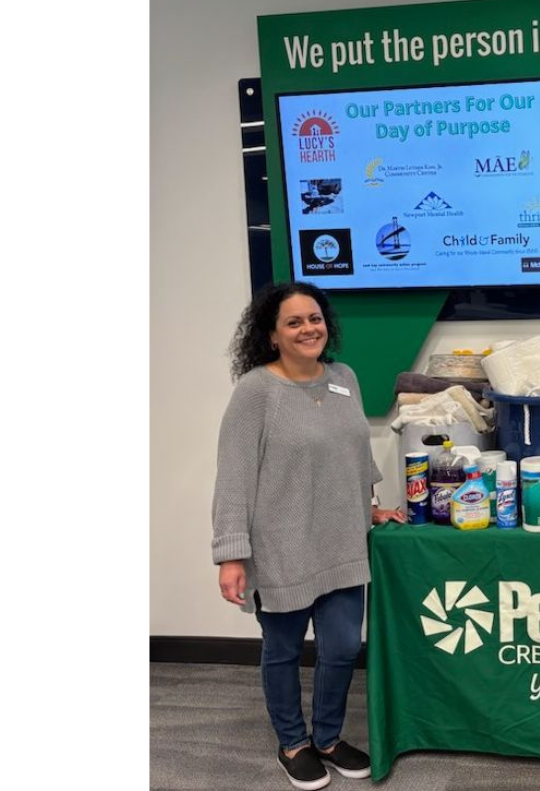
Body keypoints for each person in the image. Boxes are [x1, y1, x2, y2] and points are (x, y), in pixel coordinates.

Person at [211, 281, 405, 790]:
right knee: (283, 651)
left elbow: (354, 455)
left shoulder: (344, 378)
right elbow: (234, 476)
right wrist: (231, 555)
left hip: (342, 541)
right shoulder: (256, 391)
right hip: (281, 548)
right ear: (272, 335)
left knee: (341, 648)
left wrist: (371, 507)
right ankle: (293, 742)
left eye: (314, 319)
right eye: (293, 322)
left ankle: (328, 737)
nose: (308, 329)